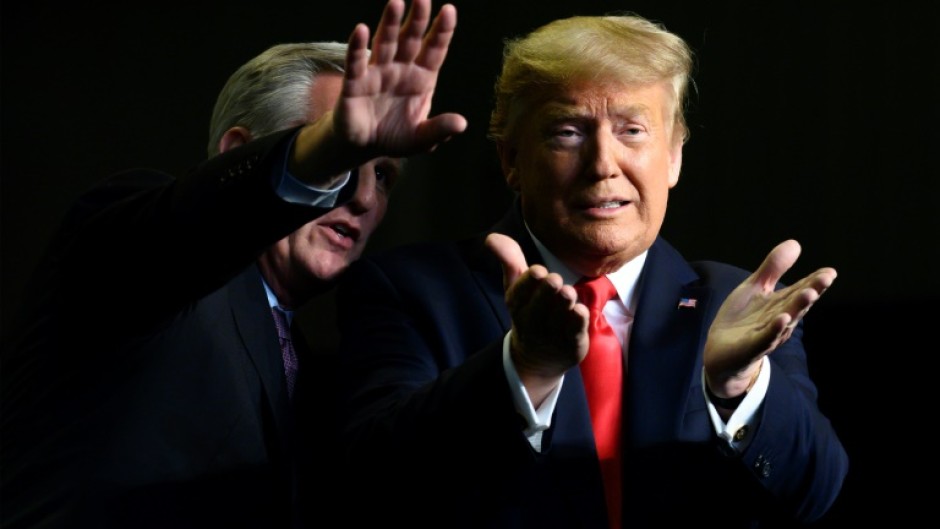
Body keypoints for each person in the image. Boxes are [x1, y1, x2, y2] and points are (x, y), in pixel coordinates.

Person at [335, 10, 849, 529]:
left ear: (672, 156)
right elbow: (373, 486)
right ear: (511, 158)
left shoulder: (737, 304)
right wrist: (525, 369)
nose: (603, 163)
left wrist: (740, 385)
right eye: (567, 132)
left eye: (632, 130)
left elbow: (813, 493)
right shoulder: (411, 290)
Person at [0, 1, 466, 528]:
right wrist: (319, 156)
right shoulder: (135, 255)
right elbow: (188, 226)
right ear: (236, 152)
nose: (361, 195)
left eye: (382, 174)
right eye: (340, 159)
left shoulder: (313, 379)